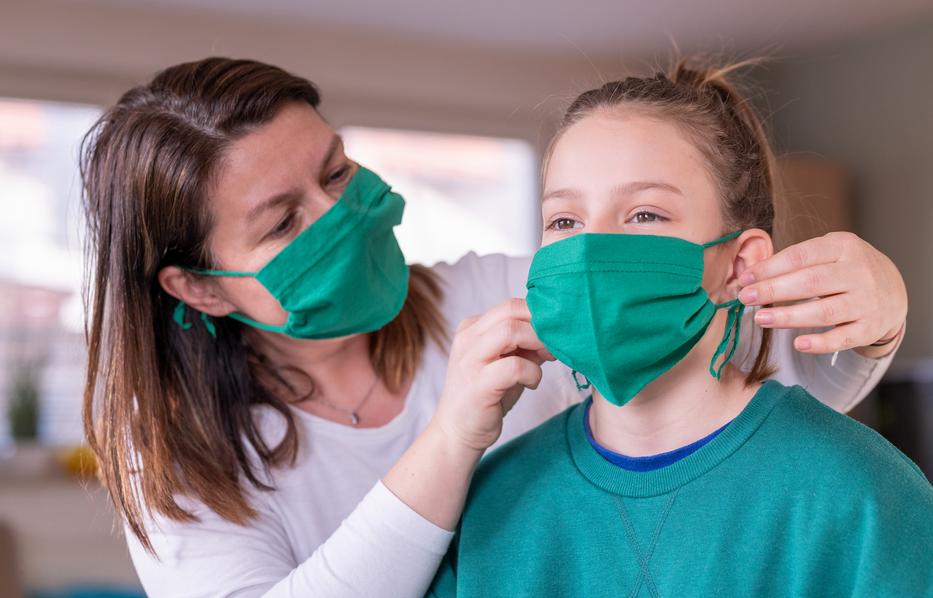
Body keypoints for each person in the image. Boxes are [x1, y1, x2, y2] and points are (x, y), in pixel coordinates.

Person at [79, 57, 908, 597]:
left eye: (336, 171)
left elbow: (753, 379)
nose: (341, 215)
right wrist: (450, 441)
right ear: (200, 287)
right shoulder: (174, 459)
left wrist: (874, 316)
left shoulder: (498, 294)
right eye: (284, 222)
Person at [426, 60, 932, 597]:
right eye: (565, 221)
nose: (590, 250)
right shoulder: (491, 501)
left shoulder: (862, 494)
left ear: (739, 266)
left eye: (644, 214)